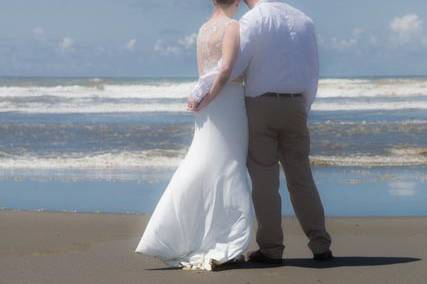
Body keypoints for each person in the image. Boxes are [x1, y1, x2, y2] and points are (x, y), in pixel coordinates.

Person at [189, 0, 333, 264]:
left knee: (265, 181)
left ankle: (271, 248)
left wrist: (201, 91)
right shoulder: (304, 20)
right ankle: (320, 244)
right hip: (296, 105)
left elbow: (233, 65)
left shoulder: (253, 20)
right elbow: (313, 71)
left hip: (261, 105)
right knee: (301, 178)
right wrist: (304, 106)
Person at [135, 0, 255, 271]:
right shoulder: (233, 26)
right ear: (236, 1)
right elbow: (225, 70)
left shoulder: (202, 29)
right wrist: (211, 97)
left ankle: (173, 233)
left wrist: (202, 97)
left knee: (202, 163)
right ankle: (225, 240)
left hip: (205, 102)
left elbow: (205, 72)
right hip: (224, 102)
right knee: (228, 166)